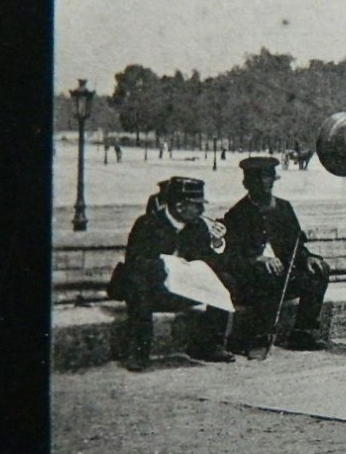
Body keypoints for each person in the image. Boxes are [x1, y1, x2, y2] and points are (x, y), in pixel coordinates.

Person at [116, 176, 235, 371]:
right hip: (154, 287)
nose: (202, 211)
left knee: (225, 280)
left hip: (183, 289)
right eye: (196, 206)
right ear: (180, 206)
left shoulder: (197, 227)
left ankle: (211, 345)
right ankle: (138, 352)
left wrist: (216, 244)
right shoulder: (148, 223)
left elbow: (208, 261)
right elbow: (135, 263)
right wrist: (170, 266)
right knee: (139, 286)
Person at [220, 156, 331, 354]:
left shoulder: (284, 208)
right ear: (247, 184)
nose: (264, 185)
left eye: (268, 180)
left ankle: (302, 333)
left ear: (273, 181)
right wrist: (257, 259)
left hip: (284, 276)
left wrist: (308, 258)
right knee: (265, 273)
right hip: (251, 280)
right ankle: (257, 337)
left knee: (319, 271)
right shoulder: (237, 214)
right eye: (257, 181)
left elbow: (295, 245)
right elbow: (230, 257)